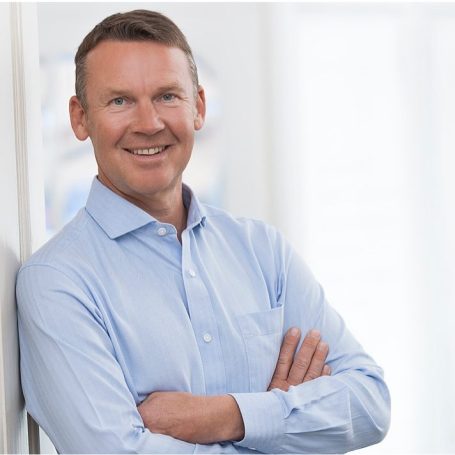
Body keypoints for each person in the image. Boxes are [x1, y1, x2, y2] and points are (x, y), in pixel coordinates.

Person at [16, 9, 391, 454]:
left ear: (199, 106)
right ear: (80, 119)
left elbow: (369, 403)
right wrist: (284, 422)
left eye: (167, 96)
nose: (148, 123)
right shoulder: (56, 283)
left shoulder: (263, 251)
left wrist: (220, 416)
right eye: (119, 101)